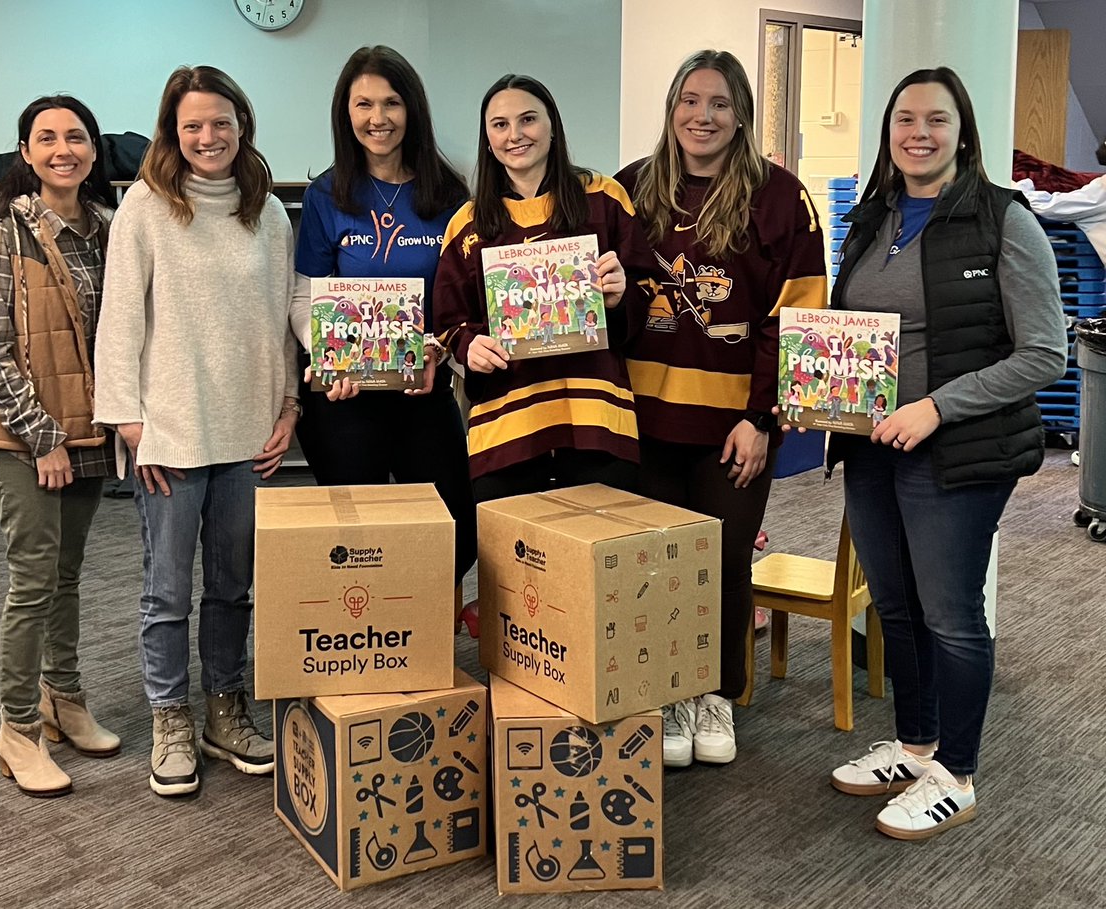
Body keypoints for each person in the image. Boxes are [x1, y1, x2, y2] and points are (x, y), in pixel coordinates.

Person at [827, 67, 1065, 840]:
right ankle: (914, 743)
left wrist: (936, 407)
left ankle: (955, 773)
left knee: (952, 616)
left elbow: (1045, 354)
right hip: (870, 448)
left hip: (958, 454)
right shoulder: (871, 218)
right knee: (895, 607)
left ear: (963, 130)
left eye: (936, 119)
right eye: (904, 119)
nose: (918, 133)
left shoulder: (1004, 221)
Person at [615, 50, 826, 769]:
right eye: (689, 101)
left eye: (719, 104)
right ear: (671, 107)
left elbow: (791, 318)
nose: (702, 117)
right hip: (640, 421)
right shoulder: (627, 190)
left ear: (741, 115)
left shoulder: (780, 198)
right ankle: (665, 690)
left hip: (731, 428)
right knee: (650, 564)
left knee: (725, 558)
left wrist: (761, 418)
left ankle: (715, 692)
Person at [94, 66, 298, 797]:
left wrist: (289, 406)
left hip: (247, 430)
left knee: (234, 587)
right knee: (167, 592)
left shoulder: (267, 212)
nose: (207, 137)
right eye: (192, 126)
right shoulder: (144, 208)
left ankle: (225, 707)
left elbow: (281, 319)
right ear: (171, 132)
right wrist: (128, 422)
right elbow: (119, 320)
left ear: (242, 125)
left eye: (220, 122)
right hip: (171, 434)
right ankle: (171, 717)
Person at [291, 46, 477, 633]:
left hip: (424, 390)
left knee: (458, 526)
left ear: (412, 109)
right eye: (364, 103)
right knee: (359, 538)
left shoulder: (450, 193)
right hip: (346, 397)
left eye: (391, 102)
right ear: (345, 113)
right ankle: (374, 639)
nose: (378, 117)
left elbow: (464, 296)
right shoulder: (326, 195)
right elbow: (306, 298)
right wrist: (328, 353)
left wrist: (441, 346)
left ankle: (414, 630)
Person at [0, 95, 120, 797]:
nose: (64, 149)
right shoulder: (3, 233)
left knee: (66, 573)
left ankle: (65, 698)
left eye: (77, 136)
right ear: (25, 152)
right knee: (32, 580)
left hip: (86, 429)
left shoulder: (108, 229)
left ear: (93, 150)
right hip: (25, 437)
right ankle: (17, 728)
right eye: (47, 138)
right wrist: (42, 439)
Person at [432, 74, 655, 502]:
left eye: (528, 119)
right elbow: (448, 323)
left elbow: (646, 293)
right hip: (507, 427)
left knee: (600, 561)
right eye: (499, 125)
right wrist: (468, 345)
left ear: (552, 124)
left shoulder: (604, 197)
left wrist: (622, 293)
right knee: (514, 563)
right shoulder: (467, 223)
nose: (515, 135)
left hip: (597, 419)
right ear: (487, 137)